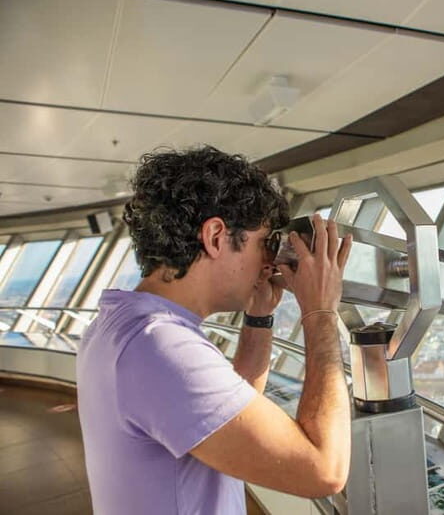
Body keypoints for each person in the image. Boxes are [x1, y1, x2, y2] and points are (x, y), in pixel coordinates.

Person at [76, 146, 353, 515]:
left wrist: (258, 318)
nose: (269, 261)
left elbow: (225, 415)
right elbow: (323, 471)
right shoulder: (161, 346)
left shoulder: (123, 325)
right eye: (264, 243)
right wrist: (320, 311)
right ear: (216, 236)